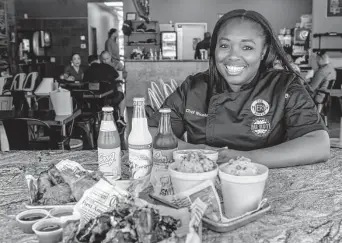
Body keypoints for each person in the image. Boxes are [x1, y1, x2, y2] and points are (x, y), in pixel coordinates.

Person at [148, 9, 330, 168]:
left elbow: (318, 144)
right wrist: (198, 151)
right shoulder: (194, 87)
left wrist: (243, 159)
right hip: (201, 183)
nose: (233, 56)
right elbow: (150, 132)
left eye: (247, 47)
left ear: (264, 51)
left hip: (266, 184)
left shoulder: (284, 86)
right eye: (225, 45)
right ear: (214, 48)